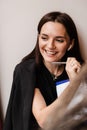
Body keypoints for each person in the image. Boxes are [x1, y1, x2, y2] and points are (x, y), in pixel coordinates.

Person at [3, 11, 87, 130]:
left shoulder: (80, 70)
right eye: (44, 38)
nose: (50, 45)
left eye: (59, 40)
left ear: (70, 44)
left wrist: (80, 80)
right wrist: (73, 85)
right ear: (38, 38)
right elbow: (44, 121)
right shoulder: (26, 71)